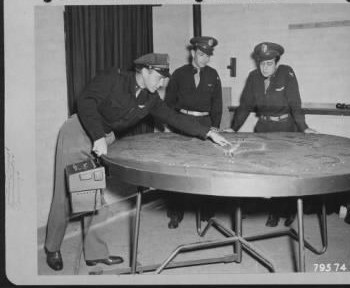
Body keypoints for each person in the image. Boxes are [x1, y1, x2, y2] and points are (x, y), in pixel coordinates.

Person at [44, 53, 231, 271]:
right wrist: (97, 136)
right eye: (159, 78)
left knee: (93, 193)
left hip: (104, 138)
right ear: (145, 70)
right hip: (78, 133)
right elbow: (85, 101)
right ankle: (52, 247)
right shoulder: (113, 79)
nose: (161, 84)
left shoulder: (149, 99)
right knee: (66, 194)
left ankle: (95, 254)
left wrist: (207, 132)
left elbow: (173, 117)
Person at [226, 42, 317, 227]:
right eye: (261, 63)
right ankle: (272, 211)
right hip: (264, 129)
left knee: (286, 172)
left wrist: (304, 127)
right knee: (266, 171)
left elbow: (295, 104)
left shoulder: (286, 73)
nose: (264, 67)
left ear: (276, 62)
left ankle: (289, 210)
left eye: (269, 63)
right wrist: (233, 128)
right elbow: (245, 106)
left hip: (285, 129)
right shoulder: (253, 78)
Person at [163, 36, 223, 229]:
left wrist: (215, 126)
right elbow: (169, 104)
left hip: (205, 123)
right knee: (179, 168)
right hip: (182, 123)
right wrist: (168, 125)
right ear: (192, 53)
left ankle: (207, 211)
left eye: (208, 56)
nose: (205, 59)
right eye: (201, 54)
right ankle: (175, 213)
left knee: (206, 168)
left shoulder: (213, 75)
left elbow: (217, 104)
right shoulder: (179, 74)